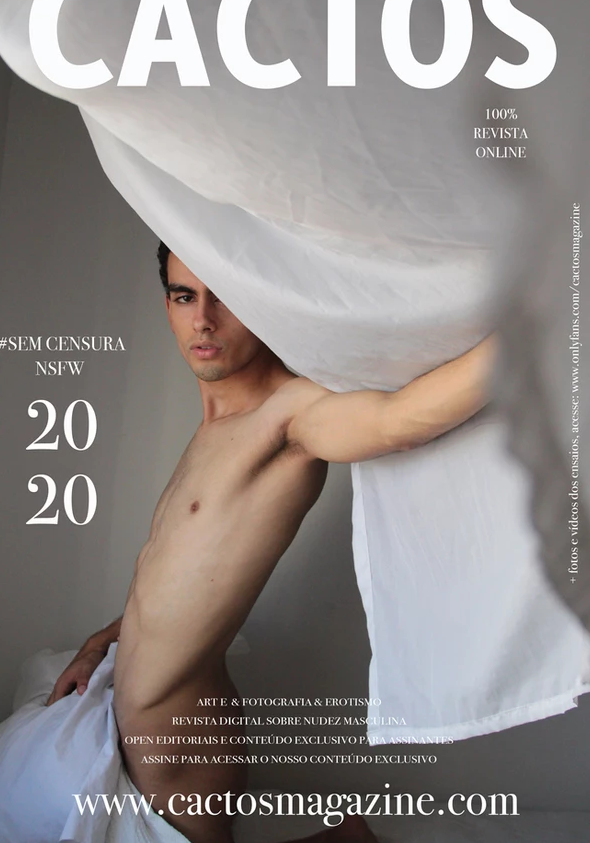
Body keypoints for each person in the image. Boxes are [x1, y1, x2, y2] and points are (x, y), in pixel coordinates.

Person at [47, 242, 495, 843]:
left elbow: (398, 421)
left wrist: (533, 322)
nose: (203, 319)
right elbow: (172, 584)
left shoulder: (290, 415)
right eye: (185, 296)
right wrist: (100, 642)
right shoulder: (214, 428)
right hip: (138, 723)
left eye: (226, 298)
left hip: (183, 742)